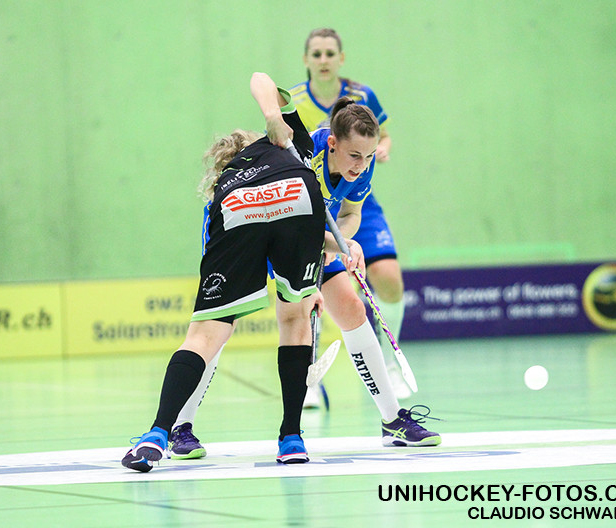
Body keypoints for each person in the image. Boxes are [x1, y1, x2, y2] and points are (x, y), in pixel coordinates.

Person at [166, 82, 441, 462]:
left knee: (351, 307)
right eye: (354, 155)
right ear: (333, 144)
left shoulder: (361, 163)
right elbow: (262, 82)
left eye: (368, 156)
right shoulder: (304, 151)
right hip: (245, 228)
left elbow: (350, 213)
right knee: (220, 327)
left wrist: (342, 242)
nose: (361, 165)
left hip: (304, 236)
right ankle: (181, 426)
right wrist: (272, 118)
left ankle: (392, 420)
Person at [121, 72, 330, 471]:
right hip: (300, 197)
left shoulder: (225, 186)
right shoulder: (285, 143)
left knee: (203, 335)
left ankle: (157, 433)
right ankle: (291, 437)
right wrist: (274, 118)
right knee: (294, 319)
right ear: (257, 140)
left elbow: (246, 238)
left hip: (238, 211)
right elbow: (262, 76)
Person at [290, 28, 411, 403]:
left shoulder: (362, 96)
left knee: (387, 278)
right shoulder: (295, 104)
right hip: (307, 205)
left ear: (341, 58)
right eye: (317, 54)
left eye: (330, 53)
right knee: (312, 292)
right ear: (307, 60)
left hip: (353, 194)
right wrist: (330, 244)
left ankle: (388, 364)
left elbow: (381, 136)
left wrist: (377, 153)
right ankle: (307, 377)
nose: (324, 60)